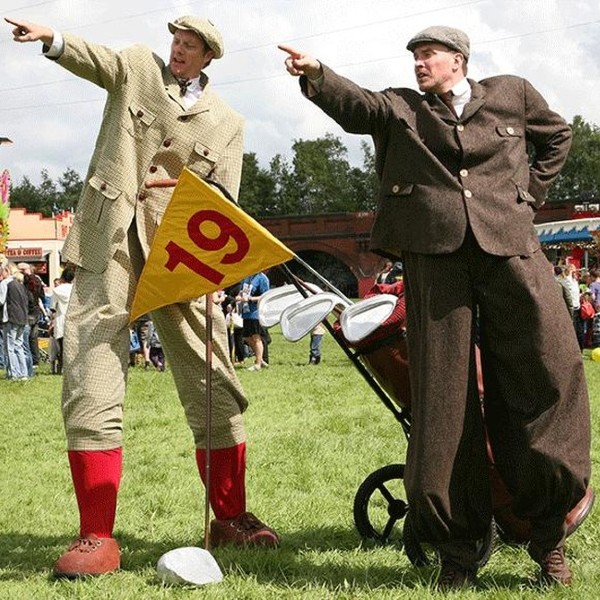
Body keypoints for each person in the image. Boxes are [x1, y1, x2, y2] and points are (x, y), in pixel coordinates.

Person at [280, 26, 591, 589]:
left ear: (458, 59)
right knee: (443, 401)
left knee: (543, 376)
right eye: (415, 56)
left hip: (511, 253)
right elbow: (359, 107)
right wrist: (317, 75)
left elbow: (558, 136)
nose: (419, 63)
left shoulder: (512, 93)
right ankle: (458, 550)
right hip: (436, 259)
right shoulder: (402, 105)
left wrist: (529, 195)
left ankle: (548, 539)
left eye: (428, 55)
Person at [6, 14, 279, 578]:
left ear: (208, 57)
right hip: (108, 244)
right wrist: (51, 39)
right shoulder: (135, 68)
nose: (178, 52)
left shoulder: (227, 123)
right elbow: (95, 59)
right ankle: (95, 537)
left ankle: (229, 516)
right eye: (176, 42)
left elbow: (224, 198)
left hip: (180, 255)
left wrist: (180, 190)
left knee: (213, 378)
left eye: (191, 47)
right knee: (90, 375)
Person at [0, 262, 29, 380]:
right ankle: (23, 373)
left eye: (1, 270)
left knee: (9, 347)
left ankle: (13, 374)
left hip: (10, 317)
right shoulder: (19, 283)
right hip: (22, 317)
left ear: (6, 271)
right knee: (19, 346)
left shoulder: (5, 283)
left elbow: (1, 301)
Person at [237, 272, 270, 371]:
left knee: (256, 338)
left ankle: (258, 364)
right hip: (246, 312)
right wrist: (239, 297)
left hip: (256, 312)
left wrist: (250, 299)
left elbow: (266, 296)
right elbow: (242, 291)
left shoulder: (262, 278)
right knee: (246, 337)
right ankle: (259, 359)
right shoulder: (246, 277)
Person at [50, 266, 75, 375]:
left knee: (62, 347)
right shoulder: (76, 290)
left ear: (62, 277)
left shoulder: (57, 290)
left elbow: (53, 308)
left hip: (61, 319)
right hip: (74, 319)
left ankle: (62, 368)